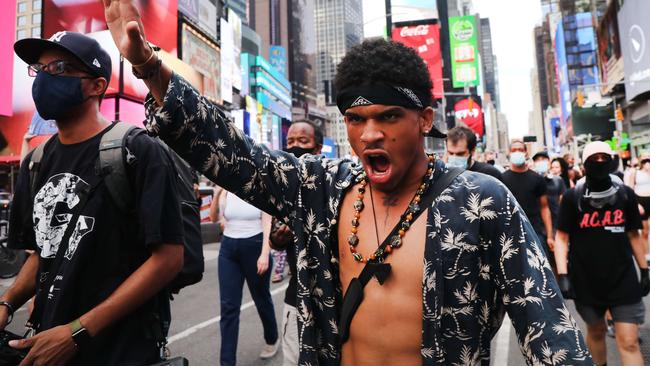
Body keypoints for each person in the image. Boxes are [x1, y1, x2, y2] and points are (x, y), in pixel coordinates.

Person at [103, 4, 592, 364]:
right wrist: (149, 66)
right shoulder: (320, 187)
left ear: (425, 120)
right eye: (356, 119)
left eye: (389, 116)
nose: (371, 133)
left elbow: (549, 330)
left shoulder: (483, 203)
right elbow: (233, 153)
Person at [2, 31, 185, 365]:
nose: (43, 78)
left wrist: (77, 332)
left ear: (97, 85)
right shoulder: (35, 162)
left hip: (121, 351)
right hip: (47, 349)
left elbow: (169, 258)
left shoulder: (138, 151)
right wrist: (8, 302)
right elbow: (43, 252)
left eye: (58, 68)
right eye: (38, 68)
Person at [554, 141, 650, 366]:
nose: (599, 163)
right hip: (586, 279)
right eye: (593, 159)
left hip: (623, 278)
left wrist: (645, 269)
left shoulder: (625, 195)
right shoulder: (572, 198)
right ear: (585, 164)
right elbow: (561, 238)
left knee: (629, 342)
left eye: (604, 158)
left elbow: (634, 235)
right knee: (596, 332)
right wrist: (563, 275)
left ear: (612, 162)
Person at [269, 120, 323, 366]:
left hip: (333, 300)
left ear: (318, 148)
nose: (296, 148)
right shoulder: (283, 190)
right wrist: (279, 237)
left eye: (303, 142)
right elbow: (275, 239)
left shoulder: (333, 187)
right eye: (290, 142)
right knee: (293, 361)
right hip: (296, 297)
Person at [209, 189, 279, 365]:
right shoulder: (225, 186)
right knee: (228, 307)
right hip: (228, 249)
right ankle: (227, 362)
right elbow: (213, 218)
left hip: (254, 246)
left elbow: (267, 220)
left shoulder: (257, 183)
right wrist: (218, 194)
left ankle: (272, 339)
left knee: (261, 298)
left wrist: (265, 253)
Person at [502, 141, 555, 256]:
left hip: (534, 230)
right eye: (514, 150)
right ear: (509, 153)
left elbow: (544, 207)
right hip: (510, 232)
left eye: (520, 150)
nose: (517, 152)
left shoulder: (537, 179)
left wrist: (550, 235)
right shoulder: (502, 179)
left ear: (526, 153)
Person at [533, 151, 566, 237]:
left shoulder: (557, 180)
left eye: (543, 159)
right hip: (537, 225)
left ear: (548, 162)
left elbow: (562, 201)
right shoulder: (531, 180)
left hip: (555, 222)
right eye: (538, 160)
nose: (541, 162)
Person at [625, 153, 650, 263]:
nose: (647, 163)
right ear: (640, 161)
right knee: (645, 231)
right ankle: (647, 255)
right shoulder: (635, 172)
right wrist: (637, 204)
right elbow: (630, 190)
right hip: (641, 201)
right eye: (644, 160)